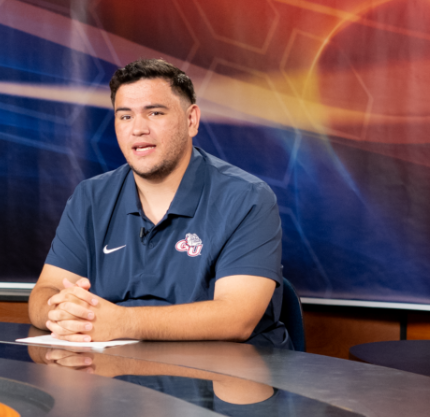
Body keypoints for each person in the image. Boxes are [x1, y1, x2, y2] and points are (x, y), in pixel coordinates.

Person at [27, 58, 289, 348]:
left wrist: (121, 322)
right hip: (115, 376)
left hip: (223, 380)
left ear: (191, 120)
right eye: (125, 116)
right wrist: (63, 313)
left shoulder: (247, 197)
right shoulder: (90, 197)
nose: (138, 129)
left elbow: (237, 317)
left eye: (154, 113)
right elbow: (44, 292)